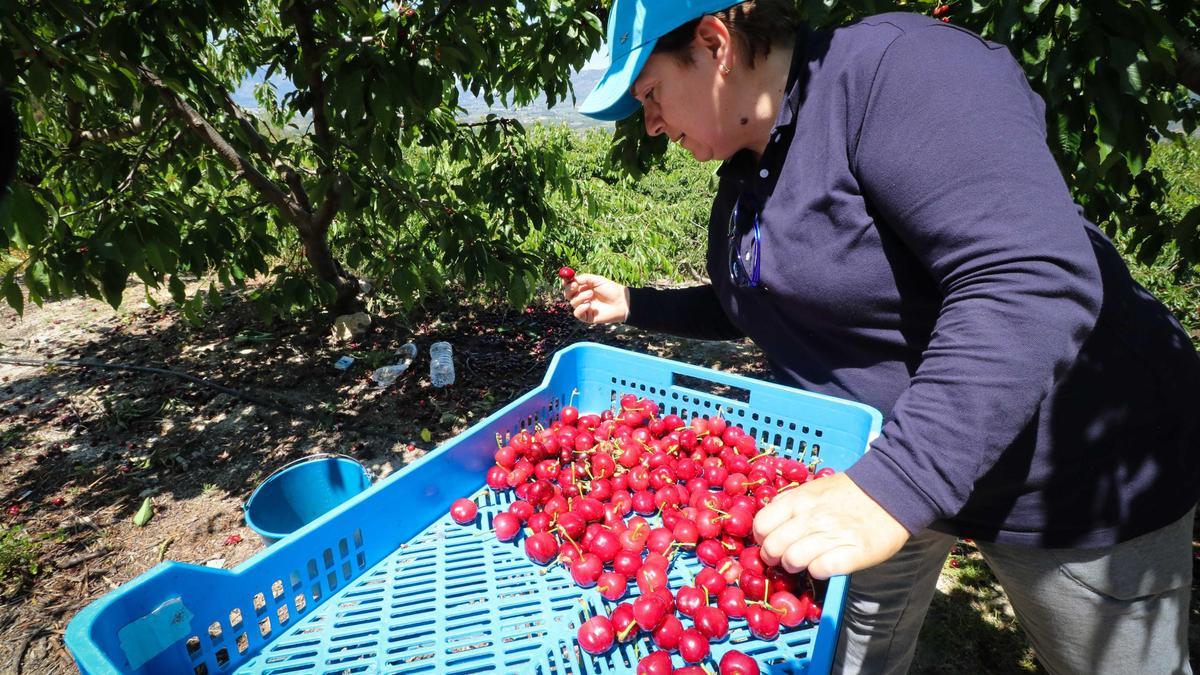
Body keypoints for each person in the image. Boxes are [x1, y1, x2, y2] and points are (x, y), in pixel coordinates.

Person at [566, 1, 1200, 673]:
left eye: (652, 94)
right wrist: (635, 303)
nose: (653, 123)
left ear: (716, 43)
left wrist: (895, 483)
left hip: (1066, 477)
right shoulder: (751, 171)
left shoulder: (899, 72)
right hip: (891, 465)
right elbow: (765, 302)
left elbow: (1028, 280)